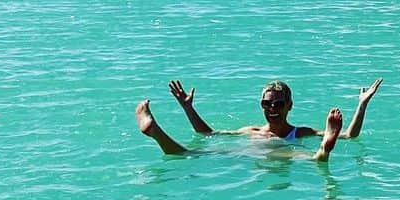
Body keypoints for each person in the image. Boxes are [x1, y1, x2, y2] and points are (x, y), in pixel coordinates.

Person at [136, 78, 382, 163]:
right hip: (249, 155)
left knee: (309, 158)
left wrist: (362, 104)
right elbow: (208, 134)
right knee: (190, 153)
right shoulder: (250, 130)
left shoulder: (299, 132)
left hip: (283, 152)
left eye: (277, 104)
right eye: (266, 104)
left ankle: (323, 151)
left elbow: (350, 135)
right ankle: (155, 131)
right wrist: (188, 108)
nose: (271, 109)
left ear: (289, 107)